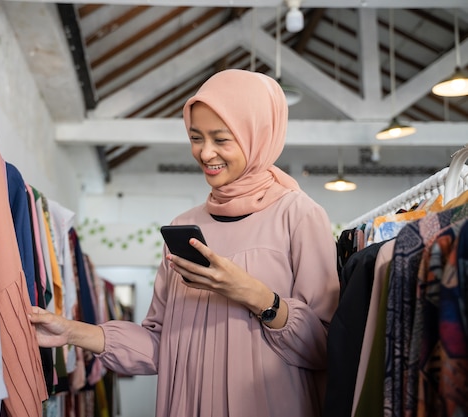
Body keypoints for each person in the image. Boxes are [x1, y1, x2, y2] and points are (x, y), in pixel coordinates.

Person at [29, 69, 340, 417]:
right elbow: (160, 346)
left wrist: (255, 295)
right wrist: (71, 331)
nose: (205, 153)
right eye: (196, 137)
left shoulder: (298, 215)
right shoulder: (183, 227)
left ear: (258, 136)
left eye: (222, 139)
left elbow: (327, 348)